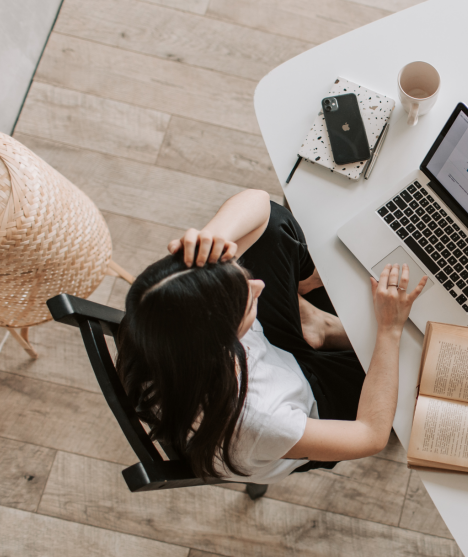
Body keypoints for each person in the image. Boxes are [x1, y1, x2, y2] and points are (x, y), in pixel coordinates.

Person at [115, 189, 427, 483]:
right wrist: (389, 329)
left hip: (268, 360)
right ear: (225, 341)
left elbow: (261, 205)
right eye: (246, 299)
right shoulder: (263, 421)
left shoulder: (155, 317)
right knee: (413, 368)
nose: (258, 287)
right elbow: (370, 435)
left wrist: (215, 236)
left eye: (240, 277)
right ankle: (321, 327)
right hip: (310, 403)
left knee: (275, 226)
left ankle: (316, 325)